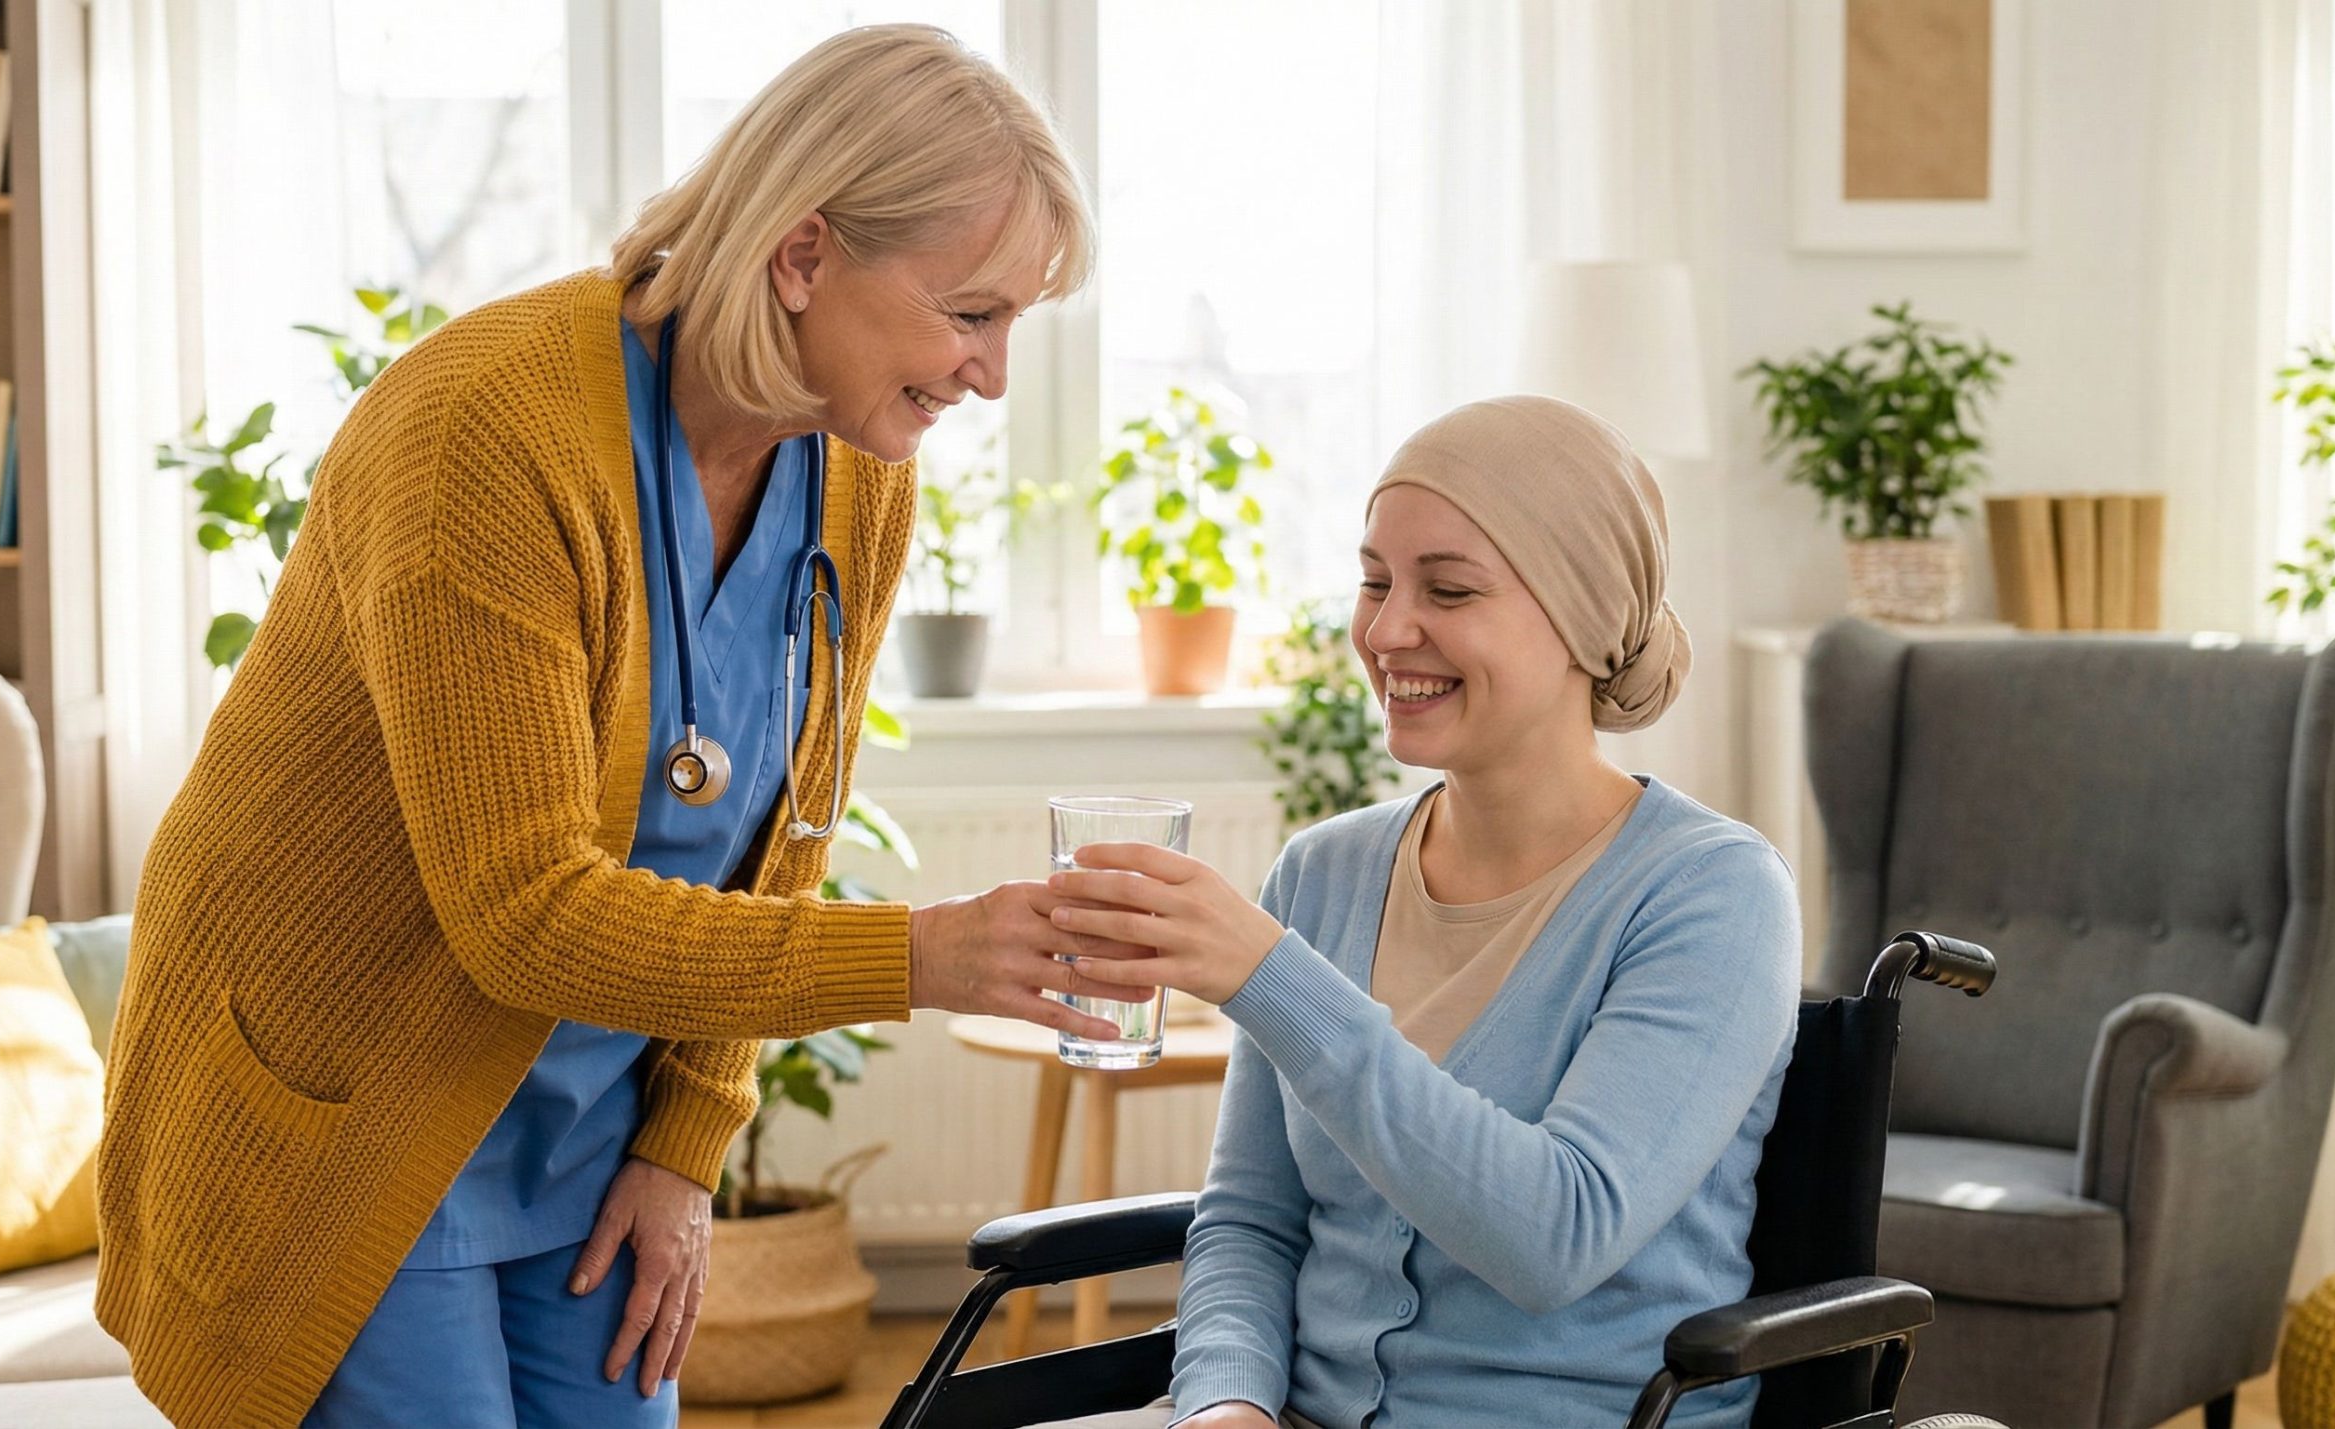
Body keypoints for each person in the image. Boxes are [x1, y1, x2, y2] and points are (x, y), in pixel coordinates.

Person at [95, 26, 1131, 1429]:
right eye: (971, 313)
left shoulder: (854, 476)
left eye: (1017, 325)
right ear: (805, 256)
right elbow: (521, 911)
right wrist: (928, 953)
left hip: (585, 1115)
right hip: (349, 1102)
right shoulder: (485, 430)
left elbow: (781, 840)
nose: (995, 374)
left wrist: (689, 1141)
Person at [1032, 397, 1803, 1429]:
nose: (1387, 630)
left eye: (1448, 588)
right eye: (1373, 581)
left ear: (1580, 616)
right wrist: (1224, 1403)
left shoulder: (1713, 894)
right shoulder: (1323, 872)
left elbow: (1554, 1238)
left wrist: (1269, 976)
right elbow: (1252, 1222)